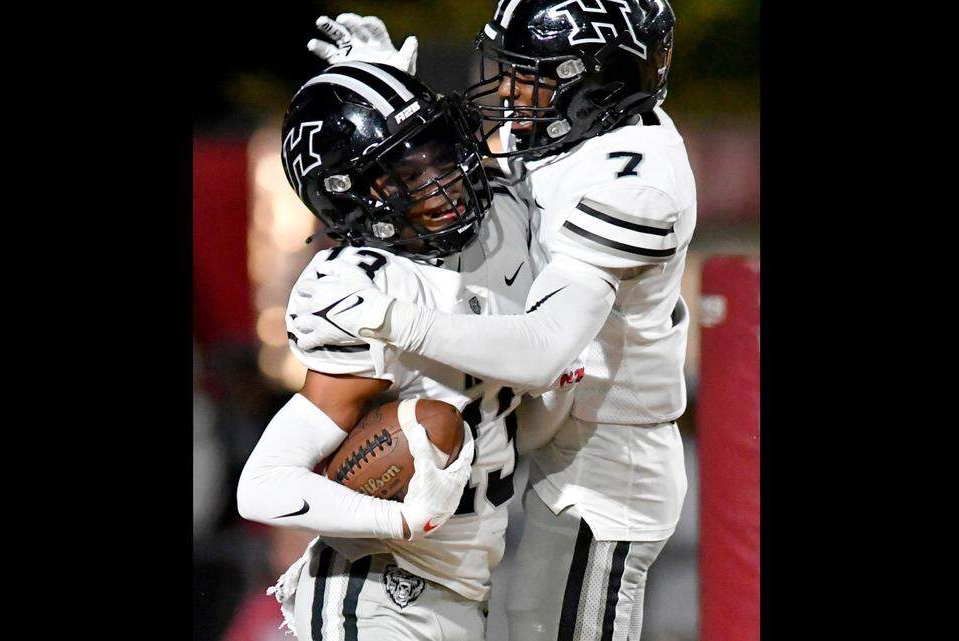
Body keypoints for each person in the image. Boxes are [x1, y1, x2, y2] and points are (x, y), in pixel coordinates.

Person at [295, 3, 694, 639]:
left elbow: (543, 350)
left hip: (605, 449)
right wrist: (383, 101)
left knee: (552, 627)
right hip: (537, 419)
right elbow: (460, 191)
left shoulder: (635, 180)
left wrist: (393, 318)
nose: (507, 89)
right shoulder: (564, 129)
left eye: (530, 73)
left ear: (597, 83)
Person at [237, 61, 538, 640]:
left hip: (464, 579)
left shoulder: (491, 237)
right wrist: (397, 518)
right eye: (403, 172)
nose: (440, 181)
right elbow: (265, 484)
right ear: (350, 198)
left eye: (437, 153)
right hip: (379, 587)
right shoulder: (367, 287)